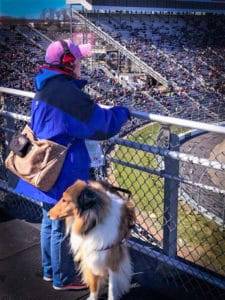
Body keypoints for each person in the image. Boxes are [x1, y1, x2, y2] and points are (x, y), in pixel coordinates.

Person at [14, 39, 130, 290]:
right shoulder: (67, 93)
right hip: (61, 169)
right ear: (67, 62)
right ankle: (62, 278)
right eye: (77, 59)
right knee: (58, 226)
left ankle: (49, 271)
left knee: (48, 219)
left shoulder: (46, 87)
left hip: (44, 167)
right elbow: (102, 125)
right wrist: (123, 111)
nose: (80, 63)